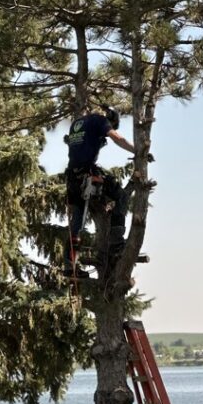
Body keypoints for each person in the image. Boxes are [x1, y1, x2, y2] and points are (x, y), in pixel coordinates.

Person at [64, 104, 134, 276]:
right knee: (121, 196)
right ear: (111, 120)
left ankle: (69, 266)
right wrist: (139, 151)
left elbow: (80, 146)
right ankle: (117, 244)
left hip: (72, 177)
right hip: (87, 173)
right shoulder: (100, 121)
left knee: (77, 221)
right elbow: (117, 138)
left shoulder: (77, 123)